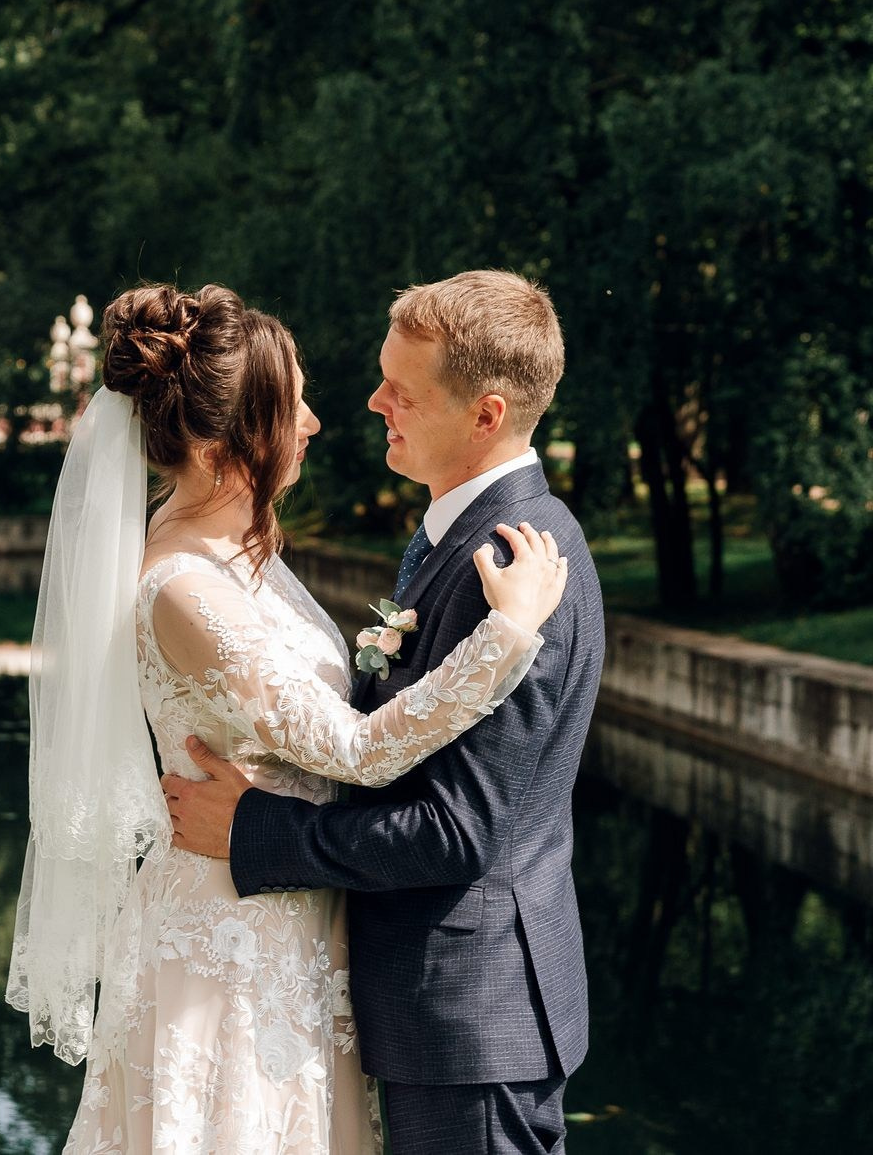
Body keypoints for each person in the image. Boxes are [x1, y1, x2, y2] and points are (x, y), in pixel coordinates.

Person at [7, 282, 573, 1153]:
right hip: (228, 940)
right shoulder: (187, 588)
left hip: (286, 926)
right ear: (223, 445)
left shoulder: (243, 551)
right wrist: (505, 637)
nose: (314, 421)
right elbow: (354, 747)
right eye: (293, 405)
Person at [165, 270, 604, 1154]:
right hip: (437, 1010)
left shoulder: (510, 568)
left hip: (469, 1016)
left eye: (401, 391)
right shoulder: (458, 536)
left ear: (485, 415)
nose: (372, 402)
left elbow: (455, 833)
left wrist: (259, 830)